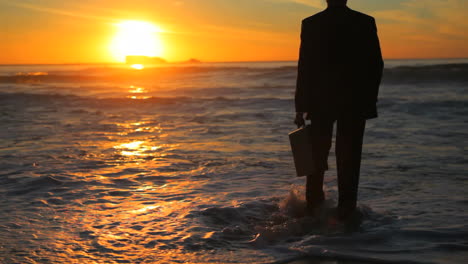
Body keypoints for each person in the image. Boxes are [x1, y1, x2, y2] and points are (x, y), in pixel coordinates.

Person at [294, 0, 384, 219]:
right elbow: (376, 64)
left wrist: (300, 106)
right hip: (354, 101)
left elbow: (305, 67)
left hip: (320, 101)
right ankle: (347, 209)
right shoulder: (364, 22)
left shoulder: (311, 23)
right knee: (350, 157)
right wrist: (369, 100)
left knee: (316, 156)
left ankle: (313, 208)